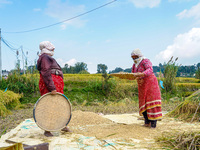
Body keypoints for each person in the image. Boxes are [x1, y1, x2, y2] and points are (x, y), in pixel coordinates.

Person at [37, 41, 71, 137]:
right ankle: (47, 130)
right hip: (52, 84)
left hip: (55, 83)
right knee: (50, 106)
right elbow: (46, 72)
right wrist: (52, 87)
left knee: (59, 104)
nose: (53, 49)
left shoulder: (46, 57)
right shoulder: (44, 57)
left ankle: (62, 125)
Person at [131, 48, 162, 128]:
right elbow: (133, 74)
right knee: (143, 103)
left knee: (151, 102)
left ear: (139, 55)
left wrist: (141, 74)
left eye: (136, 57)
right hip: (142, 85)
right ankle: (146, 122)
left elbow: (150, 70)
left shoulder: (145, 61)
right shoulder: (135, 65)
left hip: (150, 84)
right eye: (133, 58)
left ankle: (153, 124)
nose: (134, 59)